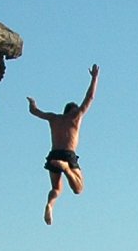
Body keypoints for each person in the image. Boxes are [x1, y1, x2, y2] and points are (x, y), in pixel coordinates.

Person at [30, 65, 99, 225]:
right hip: (68, 155)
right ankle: (66, 168)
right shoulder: (75, 117)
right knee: (78, 189)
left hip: (53, 154)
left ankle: (49, 205)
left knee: (56, 189)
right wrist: (94, 78)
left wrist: (32, 105)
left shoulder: (54, 118)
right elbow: (90, 98)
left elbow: (35, 112)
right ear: (74, 111)